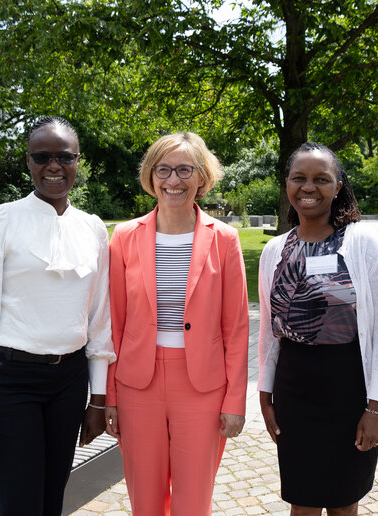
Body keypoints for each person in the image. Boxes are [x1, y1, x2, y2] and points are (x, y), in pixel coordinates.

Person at [0, 116, 115, 516]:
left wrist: (98, 398)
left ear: (78, 162)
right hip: (11, 383)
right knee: (19, 504)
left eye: (64, 157)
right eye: (42, 157)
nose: (53, 166)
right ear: (28, 162)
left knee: (52, 499)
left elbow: (99, 318)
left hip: (69, 384)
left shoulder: (93, 229)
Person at [105, 132, 249, 516]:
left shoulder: (224, 239)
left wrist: (235, 400)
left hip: (202, 387)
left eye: (185, 169)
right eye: (163, 169)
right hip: (137, 385)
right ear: (150, 177)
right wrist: (110, 397)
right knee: (146, 501)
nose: (174, 180)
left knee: (193, 501)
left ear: (202, 177)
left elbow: (235, 328)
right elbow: (113, 325)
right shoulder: (123, 237)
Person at [257, 142, 378, 516]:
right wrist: (264, 392)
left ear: (338, 187)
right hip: (293, 389)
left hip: (348, 389)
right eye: (299, 178)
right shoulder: (275, 250)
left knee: (342, 499)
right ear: (287, 184)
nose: (309, 187)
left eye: (321, 179)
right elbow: (269, 331)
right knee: (301, 498)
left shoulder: (363, 244)